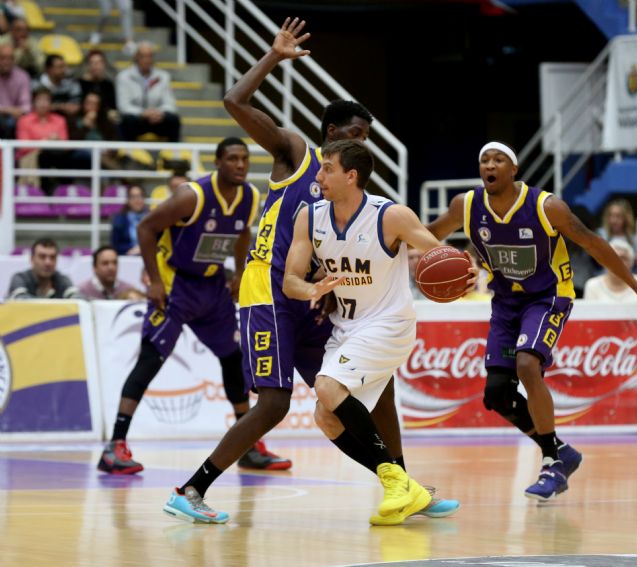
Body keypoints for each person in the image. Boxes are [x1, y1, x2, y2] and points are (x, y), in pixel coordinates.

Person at [162, 17, 456, 525]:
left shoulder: (348, 194)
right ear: (331, 135)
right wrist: (275, 56)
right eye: (356, 134)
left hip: (308, 298)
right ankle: (191, 489)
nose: (363, 145)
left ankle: (405, 486)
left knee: (367, 385)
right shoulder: (297, 153)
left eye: (367, 137)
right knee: (275, 404)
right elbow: (234, 102)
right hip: (268, 293)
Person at [426, 141, 637, 501]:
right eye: (484, 160)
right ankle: (561, 452)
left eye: (498, 160)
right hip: (506, 302)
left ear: (514, 170)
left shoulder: (546, 206)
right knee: (496, 393)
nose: (489, 165)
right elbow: (429, 233)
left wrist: (635, 285)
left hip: (548, 297)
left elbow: (593, 243)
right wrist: (389, 246)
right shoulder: (467, 205)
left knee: (527, 364)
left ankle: (552, 462)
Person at [283, 139, 471, 525]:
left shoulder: (391, 216)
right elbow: (290, 281)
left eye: (327, 169)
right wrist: (312, 289)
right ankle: (405, 486)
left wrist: (464, 274)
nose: (317, 177)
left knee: (327, 388)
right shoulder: (310, 217)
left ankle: (396, 481)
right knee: (326, 417)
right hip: (347, 329)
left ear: (351, 176)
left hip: (389, 324)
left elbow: (441, 255)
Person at [97, 137, 291, 474]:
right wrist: (155, 281)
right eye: (232, 158)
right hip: (176, 284)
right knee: (150, 359)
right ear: (217, 162)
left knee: (233, 359)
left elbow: (243, 232)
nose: (240, 165)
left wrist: (239, 271)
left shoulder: (249, 196)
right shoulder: (193, 195)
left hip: (213, 286)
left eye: (244, 158)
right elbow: (146, 228)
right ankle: (115, 446)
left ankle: (248, 446)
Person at [116, 42, 181, 142]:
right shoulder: (124, 77)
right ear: (136, 57)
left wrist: (159, 112)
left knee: (173, 119)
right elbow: (123, 106)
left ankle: (173, 155)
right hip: (137, 120)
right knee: (127, 121)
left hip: (158, 119)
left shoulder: (163, 76)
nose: (147, 60)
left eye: (150, 56)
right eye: (143, 56)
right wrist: (143, 113)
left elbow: (170, 104)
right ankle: (128, 155)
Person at [7, 237, 81, 299]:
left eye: (52, 257)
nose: (48, 263)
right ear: (32, 259)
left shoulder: (63, 280)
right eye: (42, 257)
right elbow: (21, 300)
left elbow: (78, 299)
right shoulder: (20, 278)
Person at [583, 237, 637, 303]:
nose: (618, 262)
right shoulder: (592, 285)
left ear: (631, 262)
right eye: (612, 257)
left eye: (623, 258)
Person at [34, 54, 82, 119]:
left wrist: (53, 106)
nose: (64, 70)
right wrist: (63, 106)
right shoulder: (35, 84)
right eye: (60, 67)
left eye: (64, 67)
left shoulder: (71, 83)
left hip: (65, 121)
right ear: (49, 69)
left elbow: (75, 107)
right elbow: (33, 108)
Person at [0, 43, 30, 139]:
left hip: (16, 118)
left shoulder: (22, 76)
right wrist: (8, 110)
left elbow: (27, 106)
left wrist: (18, 112)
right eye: (3, 58)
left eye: (10, 58)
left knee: (18, 122)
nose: (7, 62)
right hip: (6, 116)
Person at [78, 50, 117, 117]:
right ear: (88, 65)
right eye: (92, 62)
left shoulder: (108, 85)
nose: (96, 66)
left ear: (104, 64)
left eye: (99, 62)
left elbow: (112, 106)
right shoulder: (79, 84)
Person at [110, 185, 147, 255]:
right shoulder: (119, 219)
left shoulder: (152, 217)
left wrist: (142, 248)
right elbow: (115, 246)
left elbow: (158, 242)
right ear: (128, 200)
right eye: (133, 197)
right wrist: (132, 249)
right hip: (127, 257)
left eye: (140, 196)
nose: (137, 200)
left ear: (144, 198)